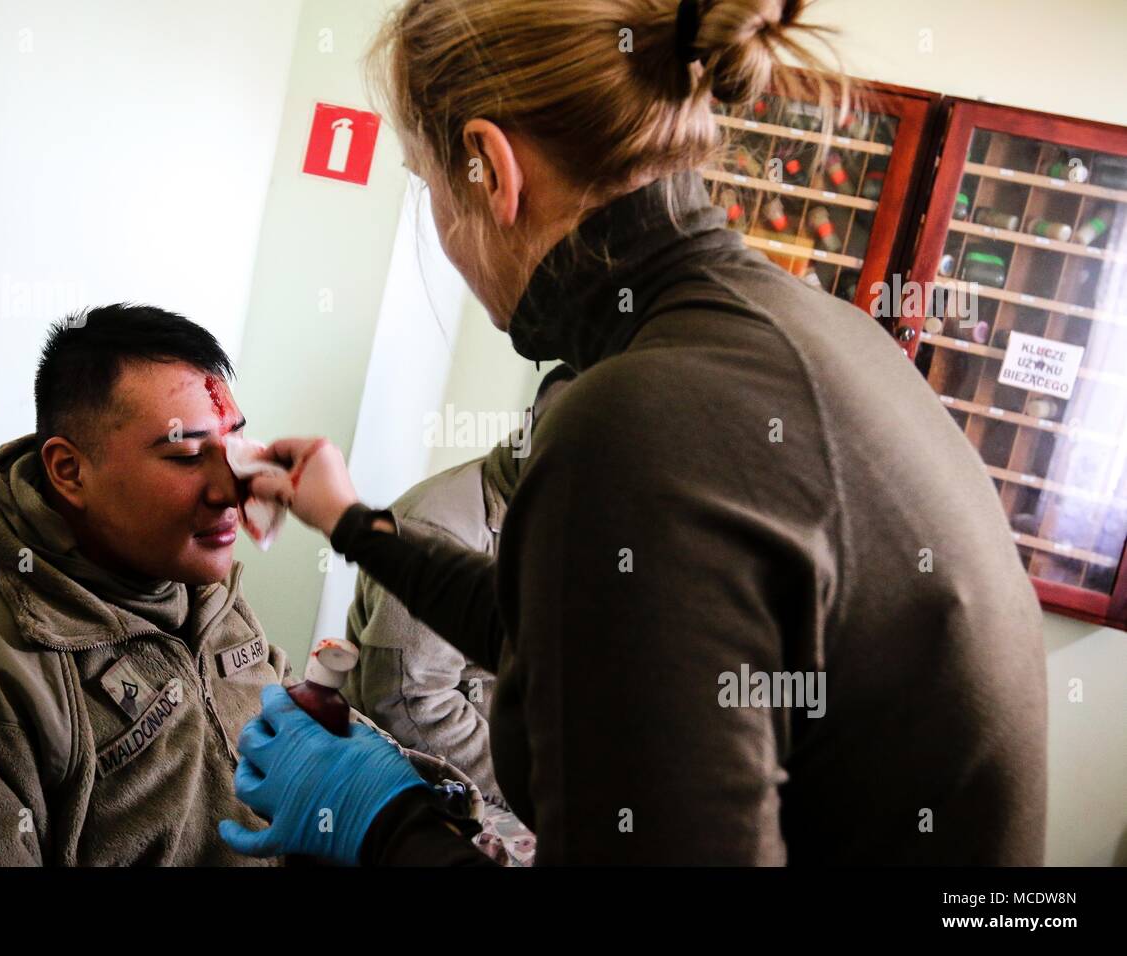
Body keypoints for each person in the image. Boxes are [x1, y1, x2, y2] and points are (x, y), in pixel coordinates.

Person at [218, 0, 1047, 865]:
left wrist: (385, 824)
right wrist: (354, 523)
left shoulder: (636, 417)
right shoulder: (805, 331)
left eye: (427, 184)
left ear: (490, 170)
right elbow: (599, 637)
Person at [0, 304, 292, 865]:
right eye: (188, 455)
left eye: (236, 445)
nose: (232, 489)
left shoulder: (191, 582)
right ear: (70, 472)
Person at [345, 364, 574, 865]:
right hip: (418, 788)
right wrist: (544, 788)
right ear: (535, 429)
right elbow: (406, 700)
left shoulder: (569, 514)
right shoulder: (439, 523)